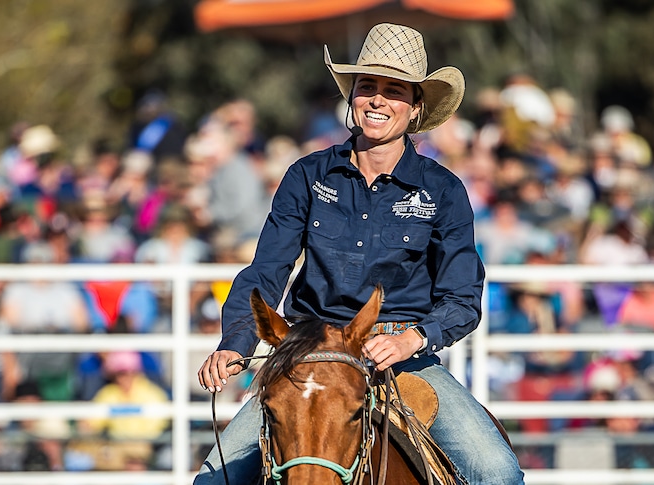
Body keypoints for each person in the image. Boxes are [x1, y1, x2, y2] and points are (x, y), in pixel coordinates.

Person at [194, 23, 524, 484]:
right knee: (212, 480)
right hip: (308, 352)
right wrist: (236, 341)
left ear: (415, 108)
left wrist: (413, 338)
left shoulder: (443, 190)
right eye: (366, 86)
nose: (376, 100)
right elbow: (265, 272)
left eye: (393, 91)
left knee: (498, 474)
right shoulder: (307, 176)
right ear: (352, 98)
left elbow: (463, 297)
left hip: (404, 355)